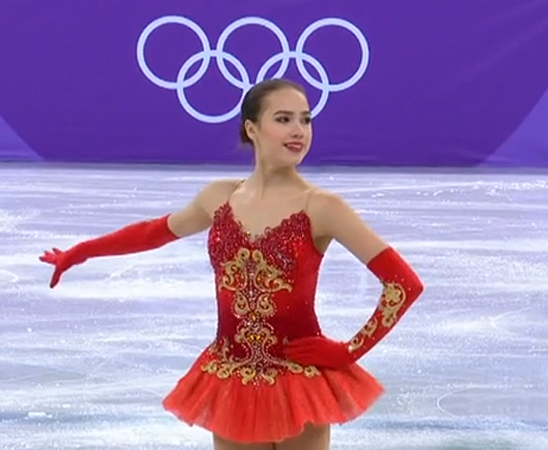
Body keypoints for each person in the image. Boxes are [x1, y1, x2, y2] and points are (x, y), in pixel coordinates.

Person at [39, 78, 424, 450]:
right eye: (283, 119)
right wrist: (81, 252)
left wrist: (348, 351)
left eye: (306, 119)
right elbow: (153, 232)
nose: (299, 131)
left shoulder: (322, 207)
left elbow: (404, 284)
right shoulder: (219, 198)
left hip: (297, 379)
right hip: (231, 377)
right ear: (251, 129)